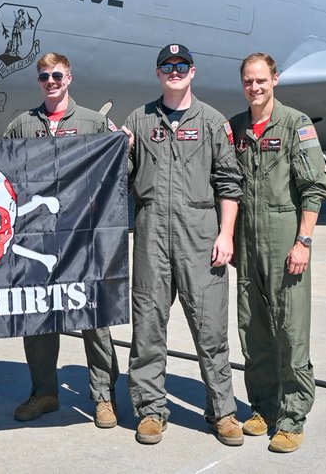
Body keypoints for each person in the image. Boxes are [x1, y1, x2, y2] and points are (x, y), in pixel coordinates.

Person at [121, 43, 244, 447]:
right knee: (148, 327)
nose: (174, 71)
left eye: (182, 65)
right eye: (167, 66)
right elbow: (120, 177)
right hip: (152, 233)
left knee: (210, 330)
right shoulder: (139, 120)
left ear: (193, 71)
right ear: (158, 73)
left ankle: (223, 412)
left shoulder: (211, 122)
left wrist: (225, 234)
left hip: (200, 236)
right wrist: (116, 147)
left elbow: (229, 182)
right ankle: (151, 411)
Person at [2, 52, 122, 429]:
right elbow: (2, 167)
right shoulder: (23, 124)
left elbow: (117, 174)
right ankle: (44, 392)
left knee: (94, 317)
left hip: (82, 238)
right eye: (44, 76)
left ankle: (103, 396)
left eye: (56, 75)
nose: (50, 81)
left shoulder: (93, 121)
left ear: (69, 77)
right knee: (37, 317)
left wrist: (124, 145)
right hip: (36, 239)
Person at [228, 52, 326, 454]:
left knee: (289, 330)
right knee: (253, 328)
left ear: (275, 80)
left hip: (285, 235)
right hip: (248, 243)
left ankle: (292, 417)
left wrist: (303, 241)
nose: (255, 87)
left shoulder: (295, 125)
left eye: (261, 81)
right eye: (249, 82)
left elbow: (314, 188)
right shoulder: (236, 127)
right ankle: (263, 408)